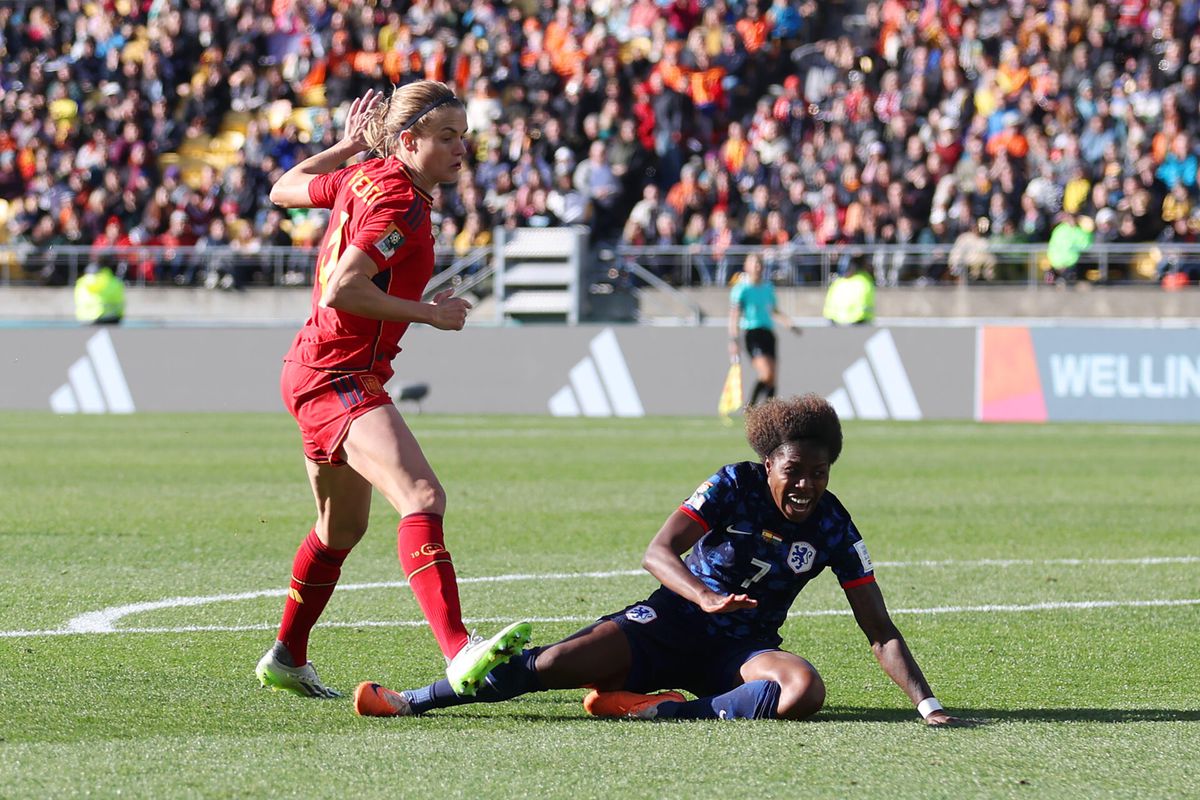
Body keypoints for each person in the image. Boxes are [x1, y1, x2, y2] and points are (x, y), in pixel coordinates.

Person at [354, 394, 965, 727]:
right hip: (669, 621)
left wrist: (927, 703)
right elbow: (657, 551)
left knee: (803, 689)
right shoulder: (733, 483)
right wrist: (703, 595)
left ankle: (660, 710)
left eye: (819, 473)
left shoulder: (835, 525)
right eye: (794, 471)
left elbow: (878, 628)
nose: (806, 485)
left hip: (738, 652)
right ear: (768, 464)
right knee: (556, 662)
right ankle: (412, 700)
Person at [256, 83, 531, 700]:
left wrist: (347, 147)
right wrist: (428, 313)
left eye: (463, 135)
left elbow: (283, 188)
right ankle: (459, 648)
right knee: (422, 495)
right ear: (408, 140)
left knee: (339, 529)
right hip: (338, 372)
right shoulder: (398, 204)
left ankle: (287, 656)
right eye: (446, 136)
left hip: (314, 367)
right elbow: (343, 289)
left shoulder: (365, 175)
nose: (461, 148)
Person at [727, 252, 801, 407]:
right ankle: (751, 407)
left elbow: (773, 310)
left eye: (760, 263)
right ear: (746, 266)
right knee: (766, 373)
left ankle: (769, 414)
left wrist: (788, 323)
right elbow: (734, 316)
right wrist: (734, 340)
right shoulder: (741, 289)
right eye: (754, 263)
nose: (757, 267)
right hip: (753, 334)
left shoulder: (768, 287)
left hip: (768, 334)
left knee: (773, 377)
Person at [822, 259, 876, 325]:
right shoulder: (838, 283)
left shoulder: (863, 281)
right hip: (840, 322)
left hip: (859, 322)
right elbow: (830, 304)